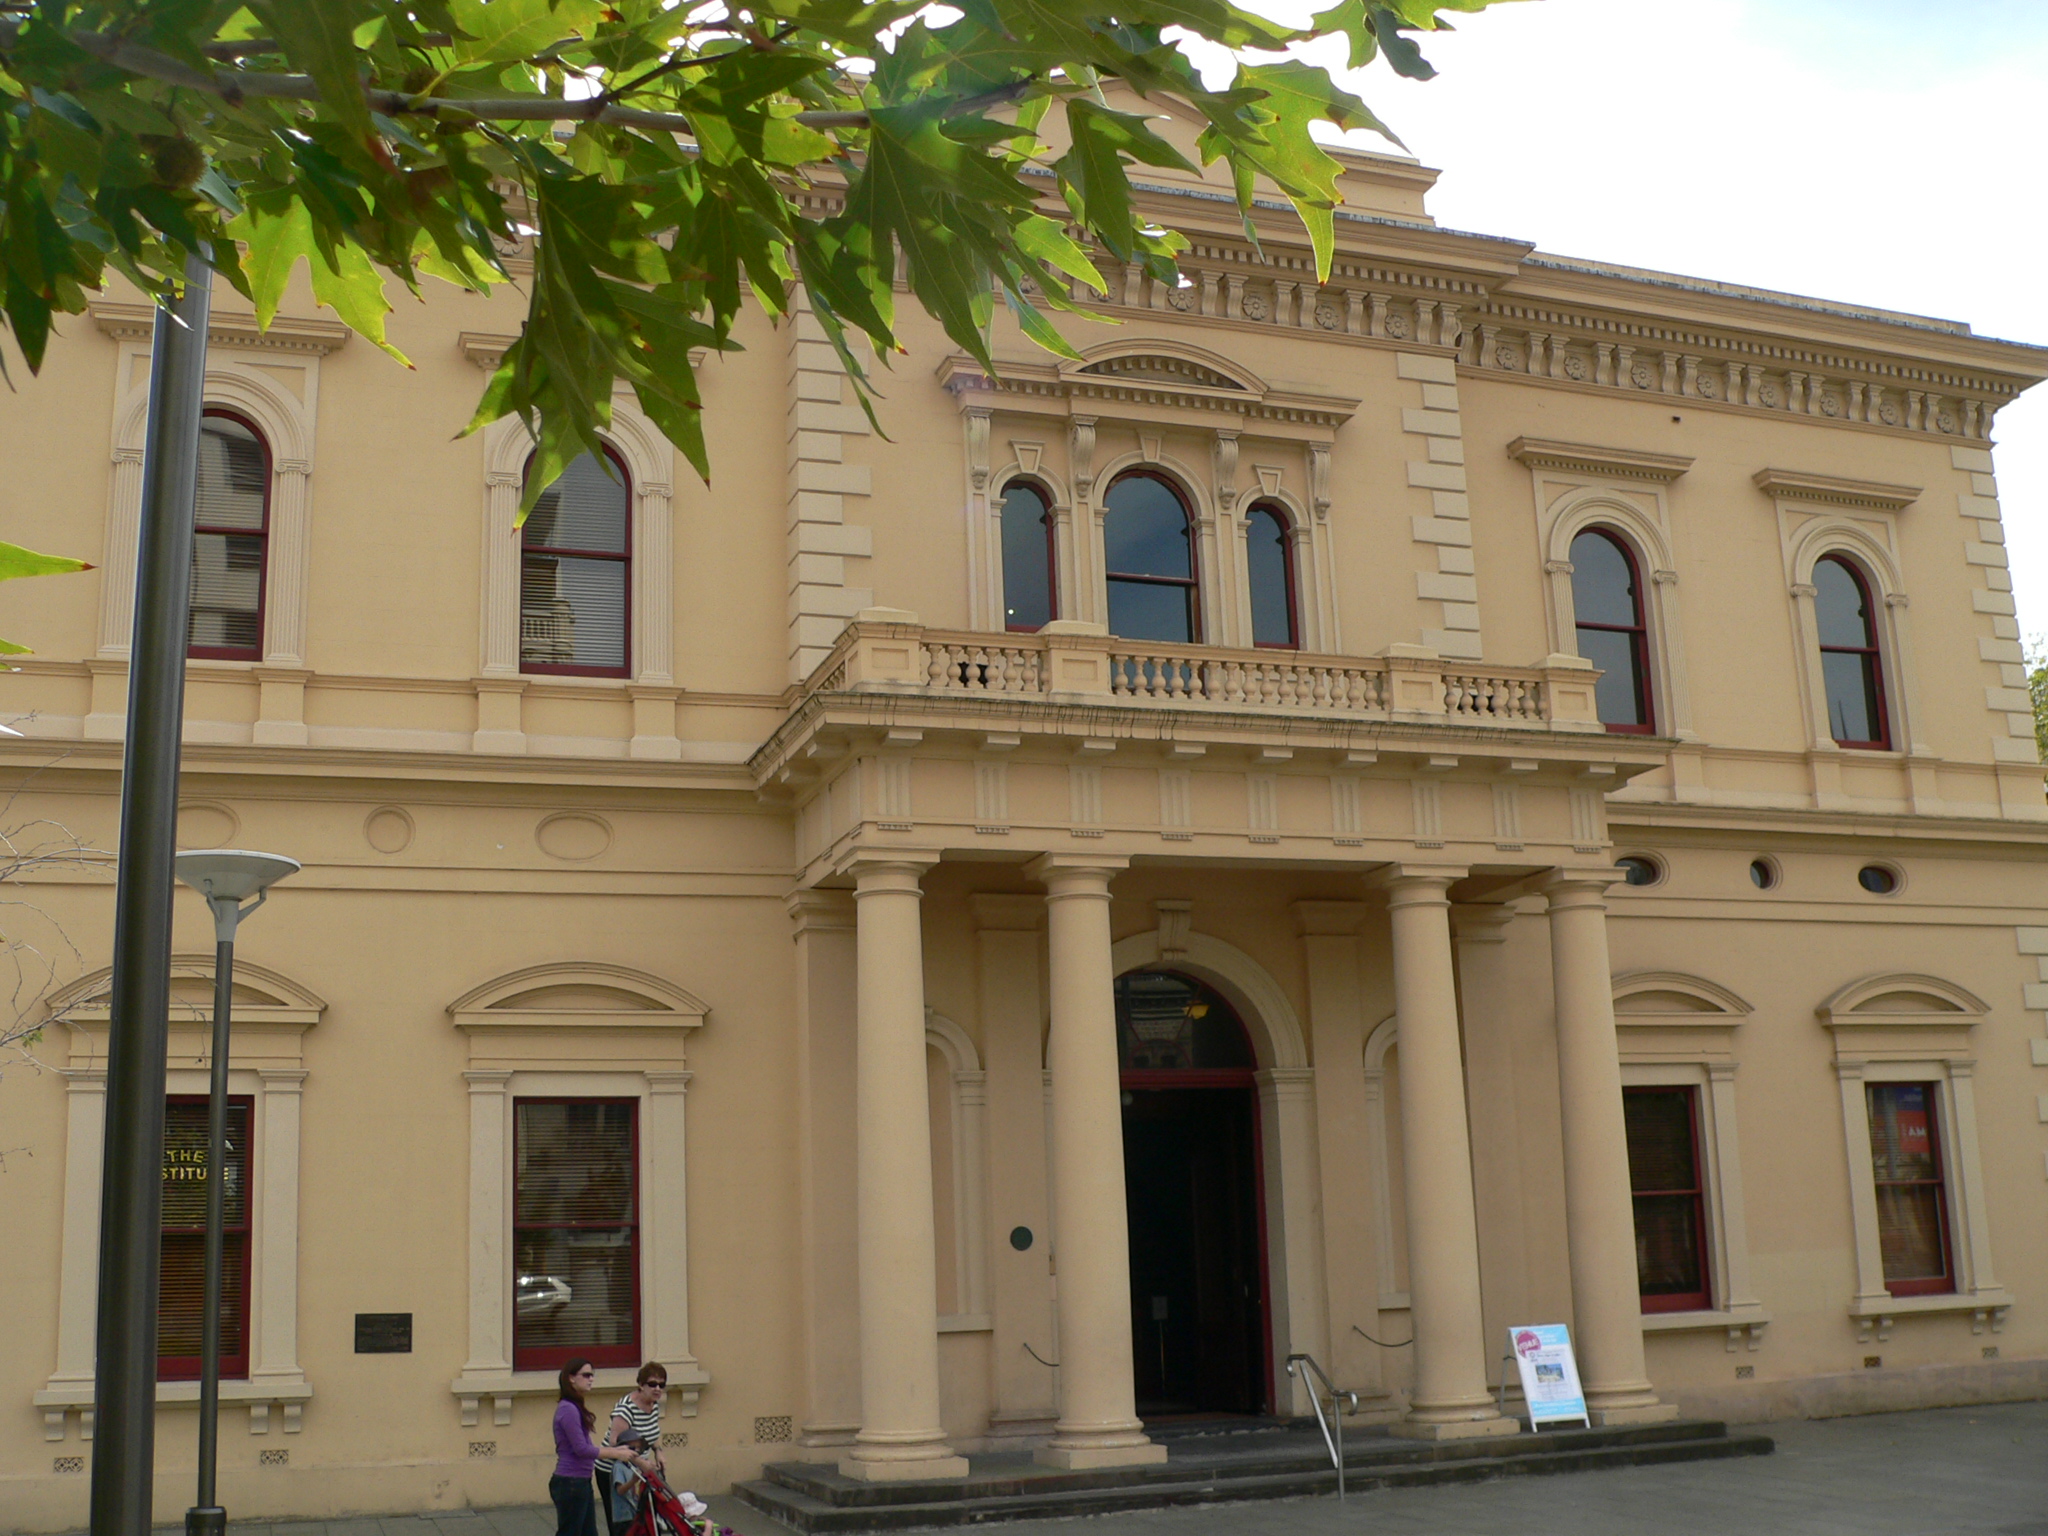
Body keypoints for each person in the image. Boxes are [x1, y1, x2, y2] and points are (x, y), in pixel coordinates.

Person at [552, 1359, 654, 1536]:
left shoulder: (575, 1407)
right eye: (586, 1375)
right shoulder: (568, 1409)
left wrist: (620, 1451)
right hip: (570, 1483)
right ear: (571, 1378)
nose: (591, 1379)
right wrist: (615, 1452)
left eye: (592, 1375)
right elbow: (582, 1450)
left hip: (580, 1481)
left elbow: (585, 1447)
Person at [599, 1361, 669, 1534]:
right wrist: (641, 1463)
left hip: (636, 1469)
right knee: (621, 1520)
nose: (657, 1389)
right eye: (652, 1384)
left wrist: (658, 1451)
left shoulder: (653, 1405)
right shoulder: (626, 1409)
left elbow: (651, 1433)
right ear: (640, 1384)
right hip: (614, 1469)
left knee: (639, 1518)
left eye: (661, 1385)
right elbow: (614, 1445)